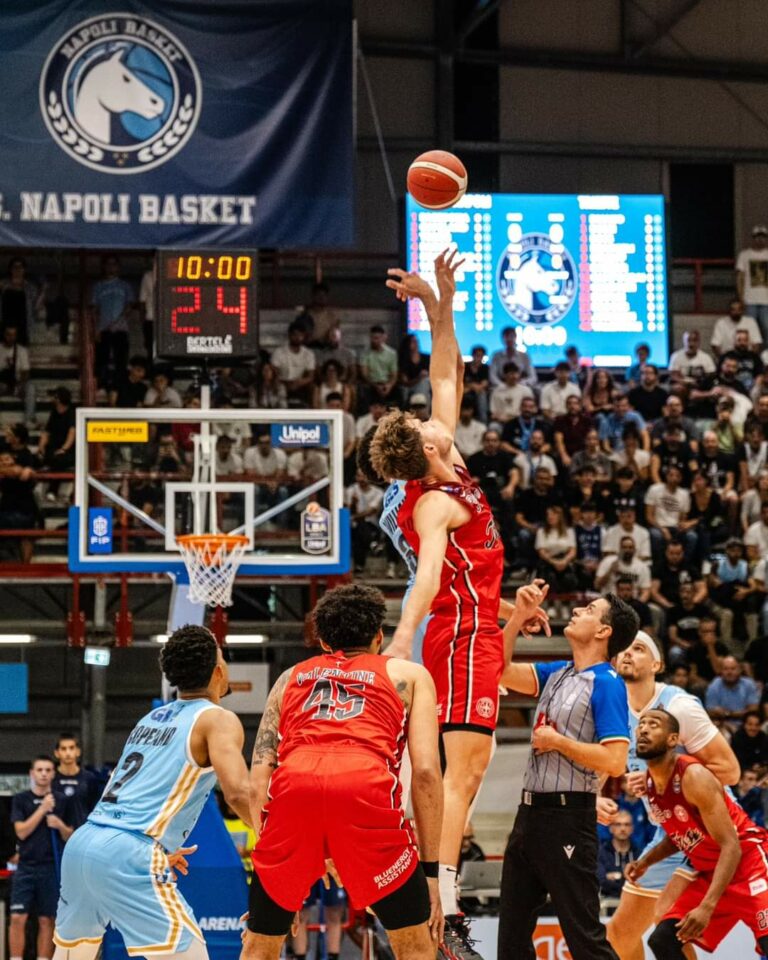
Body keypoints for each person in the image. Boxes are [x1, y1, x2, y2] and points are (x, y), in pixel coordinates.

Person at [368, 251, 547, 950]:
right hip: (456, 632)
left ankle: (428, 902)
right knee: (462, 769)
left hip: (475, 626)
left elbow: (448, 372)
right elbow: (431, 578)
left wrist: (438, 302)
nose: (436, 418)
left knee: (451, 770)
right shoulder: (434, 504)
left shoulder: (451, 463)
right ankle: (440, 909)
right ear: (422, 454)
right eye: (424, 427)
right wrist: (402, 637)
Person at [245, 583, 445, 960]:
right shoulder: (410, 675)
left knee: (259, 946)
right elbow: (426, 774)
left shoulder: (289, 678)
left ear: (322, 641)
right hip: (364, 789)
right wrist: (430, 873)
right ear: (378, 636)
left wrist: (277, 877)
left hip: (293, 792)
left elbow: (257, 781)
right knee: (416, 945)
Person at [53, 625, 251, 960]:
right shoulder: (218, 719)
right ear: (219, 671)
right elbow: (238, 794)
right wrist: (288, 849)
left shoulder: (151, 718)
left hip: (84, 844)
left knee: (73, 956)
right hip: (128, 851)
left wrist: (156, 846)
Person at [498, 594, 639, 960]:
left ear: (604, 631)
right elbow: (497, 671)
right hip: (528, 815)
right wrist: (515, 621)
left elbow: (616, 760)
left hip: (567, 818)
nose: (576, 611)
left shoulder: (607, 683)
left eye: (589, 610)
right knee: (510, 938)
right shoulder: (558, 672)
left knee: (584, 938)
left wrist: (559, 742)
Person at [605, 633, 739, 960]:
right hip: (670, 830)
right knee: (620, 934)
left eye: (639, 648)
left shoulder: (678, 706)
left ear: (656, 665)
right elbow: (601, 760)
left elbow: (729, 769)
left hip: (707, 824)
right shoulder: (613, 708)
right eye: (623, 649)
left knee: (668, 927)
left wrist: (654, 778)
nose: (628, 654)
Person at [628, 708, 768, 959]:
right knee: (662, 941)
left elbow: (731, 846)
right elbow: (681, 835)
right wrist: (645, 862)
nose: (644, 728)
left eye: (654, 724)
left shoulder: (694, 776)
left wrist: (707, 906)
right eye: (642, 724)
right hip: (714, 872)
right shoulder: (650, 782)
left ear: (673, 740)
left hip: (749, 864)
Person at [10, 756, 73, 960]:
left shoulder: (62, 800)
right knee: (18, 917)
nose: (44, 773)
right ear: (32, 773)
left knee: (47, 919)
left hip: (50, 866)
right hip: (26, 867)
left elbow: (71, 835)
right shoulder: (21, 799)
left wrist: (59, 825)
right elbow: (21, 832)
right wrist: (42, 809)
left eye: (48, 770)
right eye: (39, 770)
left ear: (53, 774)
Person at [91, 255, 134, 387]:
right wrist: (96, 329)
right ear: (104, 267)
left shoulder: (125, 285)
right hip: (104, 328)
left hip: (121, 328)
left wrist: (119, 320)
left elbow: (129, 305)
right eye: (108, 264)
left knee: (120, 359)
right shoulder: (98, 286)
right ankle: (101, 386)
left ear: (118, 267)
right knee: (102, 359)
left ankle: (119, 386)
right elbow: (94, 309)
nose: (111, 267)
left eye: (114, 264)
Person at [52, 733, 98, 830]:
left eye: (71, 748)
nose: (68, 753)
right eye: (63, 749)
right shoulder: (51, 778)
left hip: (83, 834)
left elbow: (95, 808)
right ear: (57, 753)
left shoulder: (89, 778)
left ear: (78, 752)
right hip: (55, 837)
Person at [705, 655, 760, 731]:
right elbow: (711, 712)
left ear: (740, 670)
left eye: (733, 669)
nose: (729, 672)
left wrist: (727, 713)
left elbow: (753, 710)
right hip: (723, 725)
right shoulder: (714, 685)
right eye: (726, 669)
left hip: (746, 725)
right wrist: (740, 713)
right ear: (721, 671)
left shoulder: (749, 684)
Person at [269, 323, 316, 407]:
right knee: (276, 385)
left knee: (313, 387)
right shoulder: (279, 352)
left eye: (300, 335)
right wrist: (283, 382)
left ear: (304, 336)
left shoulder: (309, 354)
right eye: (295, 334)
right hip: (283, 382)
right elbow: (274, 372)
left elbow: (310, 376)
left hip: (300, 383)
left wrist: (300, 382)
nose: (297, 338)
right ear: (289, 335)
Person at [736, 226, 768, 343]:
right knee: (749, 329)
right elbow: (740, 277)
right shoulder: (744, 255)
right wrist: (740, 297)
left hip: (766, 301)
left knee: (767, 328)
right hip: (749, 300)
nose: (760, 240)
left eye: (763, 237)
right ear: (753, 238)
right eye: (757, 237)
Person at [0, 323, 36, 425]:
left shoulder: (21, 350)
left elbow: (26, 372)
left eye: (13, 335)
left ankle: (29, 419)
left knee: (31, 388)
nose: (11, 337)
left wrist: (19, 384)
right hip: (2, 385)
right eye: (8, 334)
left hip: (17, 384)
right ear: (4, 335)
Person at [598, 812, 638, 901]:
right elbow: (600, 882)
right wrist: (627, 881)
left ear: (632, 828)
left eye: (627, 825)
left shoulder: (639, 854)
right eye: (618, 824)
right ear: (611, 828)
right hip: (607, 904)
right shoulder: (601, 852)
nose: (623, 829)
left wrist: (617, 877)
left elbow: (642, 883)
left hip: (632, 902)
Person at [359, 324, 399, 407]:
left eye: (377, 338)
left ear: (383, 338)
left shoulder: (391, 353)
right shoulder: (365, 353)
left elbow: (394, 374)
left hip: (387, 383)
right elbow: (364, 374)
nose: (374, 341)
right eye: (372, 338)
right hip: (372, 384)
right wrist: (376, 386)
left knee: (399, 393)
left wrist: (389, 385)